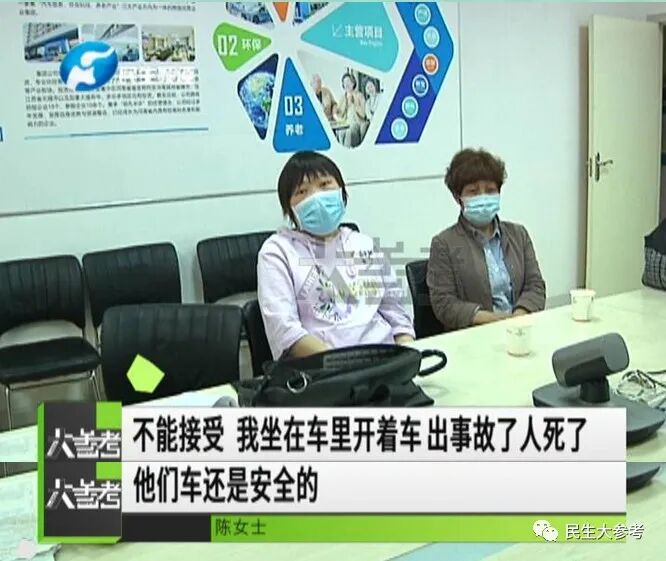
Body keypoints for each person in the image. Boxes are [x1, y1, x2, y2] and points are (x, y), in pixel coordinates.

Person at [258, 151, 415, 359]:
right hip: (325, 368)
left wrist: (407, 354)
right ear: (289, 209)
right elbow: (285, 332)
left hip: (386, 360)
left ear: (342, 191)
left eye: (324, 184)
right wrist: (344, 364)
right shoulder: (277, 252)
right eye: (302, 191)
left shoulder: (363, 244)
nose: (316, 197)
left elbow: (396, 314)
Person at [427, 148, 546, 331]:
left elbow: (535, 286)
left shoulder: (519, 234)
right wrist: (497, 321)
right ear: (458, 197)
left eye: (490, 190)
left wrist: (518, 317)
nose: (483, 197)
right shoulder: (443, 244)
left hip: (521, 329)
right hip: (475, 335)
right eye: (473, 192)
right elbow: (445, 304)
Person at [335, 72, 367, 148]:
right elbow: (339, 115)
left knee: (349, 132)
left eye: (348, 81)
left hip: (357, 123)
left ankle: (347, 151)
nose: (347, 84)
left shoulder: (359, 95)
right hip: (345, 124)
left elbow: (363, 115)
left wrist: (354, 104)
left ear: (353, 83)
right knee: (340, 132)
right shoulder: (342, 97)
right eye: (344, 82)